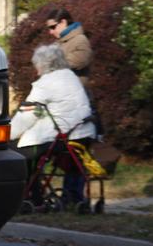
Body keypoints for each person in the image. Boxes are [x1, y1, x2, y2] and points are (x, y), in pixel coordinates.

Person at [11, 44, 96, 204]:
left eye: (37, 65)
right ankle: (65, 198)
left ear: (43, 65)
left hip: (62, 138)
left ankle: (32, 197)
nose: (36, 70)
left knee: (16, 152)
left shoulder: (46, 83)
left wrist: (7, 134)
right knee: (28, 151)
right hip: (84, 134)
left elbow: (27, 116)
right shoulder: (71, 77)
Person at [43, 8, 91, 86]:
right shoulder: (57, 43)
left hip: (73, 94)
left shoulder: (81, 40)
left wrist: (51, 63)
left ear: (63, 22)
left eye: (53, 27)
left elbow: (80, 60)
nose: (50, 32)